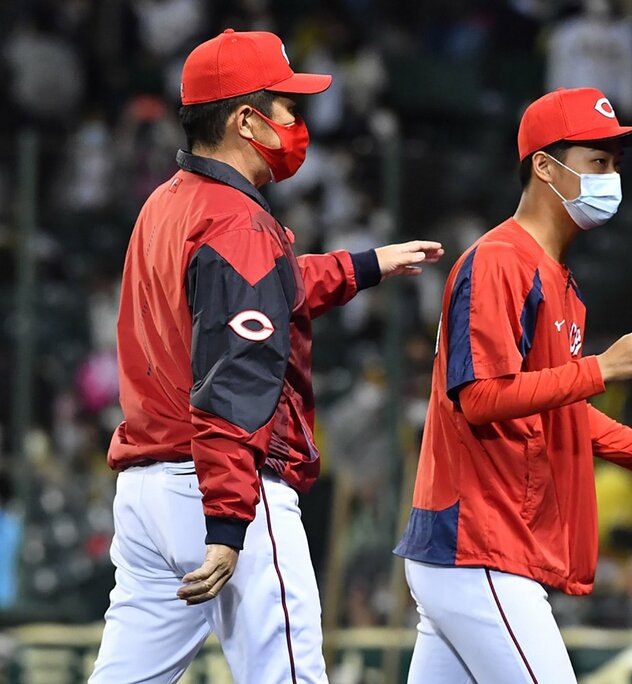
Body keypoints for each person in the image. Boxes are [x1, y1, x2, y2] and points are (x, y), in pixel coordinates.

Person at [90, 29, 442, 684]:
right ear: (247, 119)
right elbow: (238, 376)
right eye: (286, 106)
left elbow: (260, 287)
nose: (297, 121)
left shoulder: (166, 205)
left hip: (145, 495)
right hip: (223, 488)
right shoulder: (237, 221)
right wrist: (228, 522)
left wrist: (364, 266)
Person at [394, 87, 632, 683]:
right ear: (545, 167)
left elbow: (557, 413)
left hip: (477, 551)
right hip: (479, 545)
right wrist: (600, 369)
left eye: (616, 165)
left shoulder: (557, 281)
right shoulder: (500, 260)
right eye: (597, 162)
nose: (612, 178)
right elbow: (479, 399)